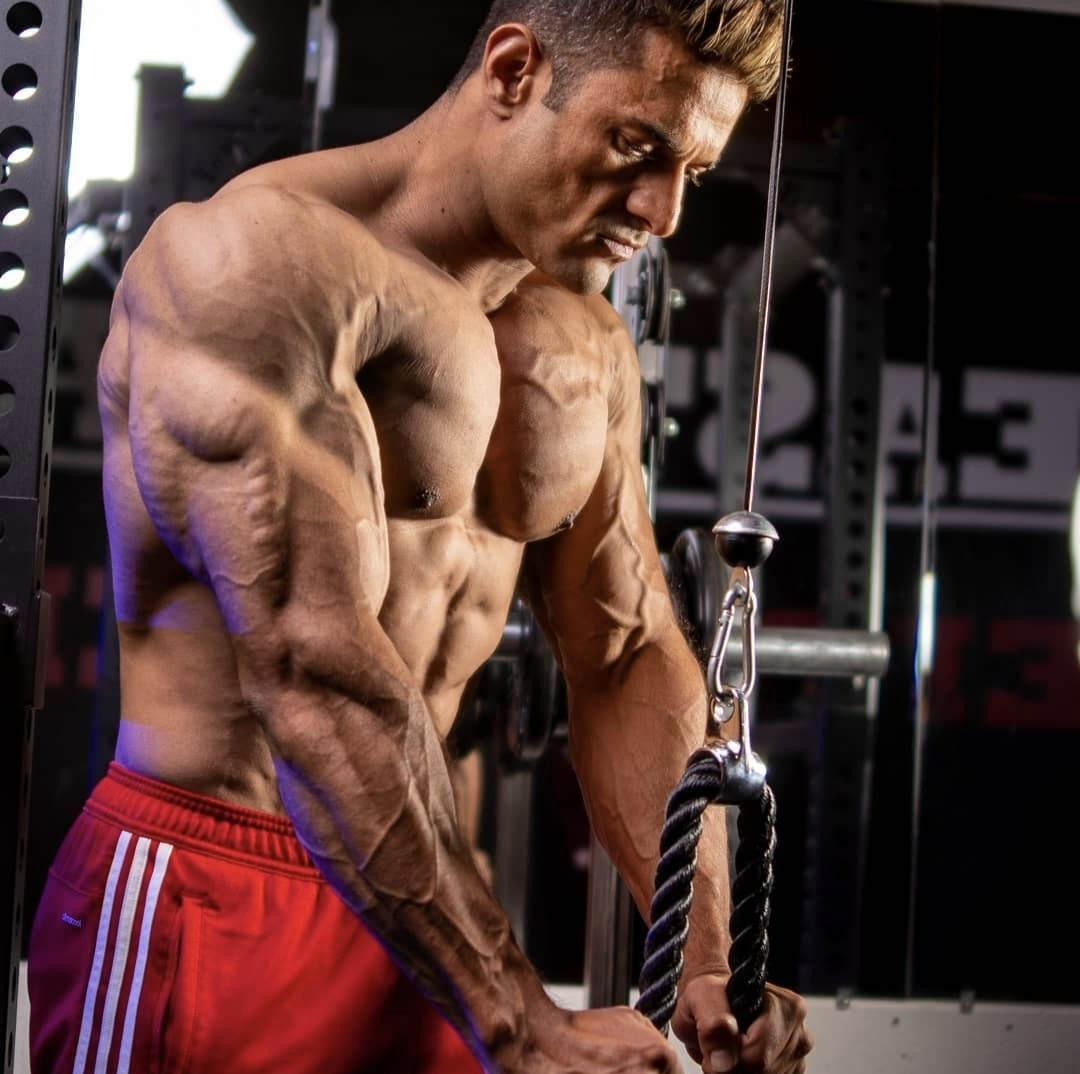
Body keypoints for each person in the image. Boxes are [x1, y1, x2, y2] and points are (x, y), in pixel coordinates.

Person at [28, 1, 813, 1072]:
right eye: (638, 147)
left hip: (428, 908)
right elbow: (312, 668)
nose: (664, 211)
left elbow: (624, 652)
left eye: (695, 173)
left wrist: (709, 960)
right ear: (513, 70)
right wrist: (520, 1020)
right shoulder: (254, 266)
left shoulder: (585, 342)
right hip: (213, 889)